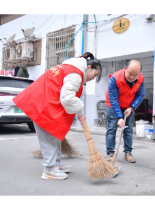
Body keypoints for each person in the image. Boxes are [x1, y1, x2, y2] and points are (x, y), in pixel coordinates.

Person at [13, 52, 102, 180]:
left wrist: (79, 112)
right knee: (48, 137)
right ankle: (49, 169)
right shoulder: (75, 74)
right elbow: (67, 98)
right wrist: (80, 112)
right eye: (95, 74)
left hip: (43, 103)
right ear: (88, 68)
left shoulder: (71, 68)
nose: (93, 78)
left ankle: (56, 163)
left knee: (54, 135)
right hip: (42, 105)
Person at [105, 59, 145, 163]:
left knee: (128, 130)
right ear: (125, 69)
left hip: (128, 107)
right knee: (111, 129)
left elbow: (140, 95)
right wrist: (119, 117)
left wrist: (131, 108)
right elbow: (113, 99)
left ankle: (128, 153)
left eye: (135, 74)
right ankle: (110, 154)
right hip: (113, 105)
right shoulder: (115, 78)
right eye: (130, 73)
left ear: (139, 73)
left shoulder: (140, 78)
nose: (132, 77)